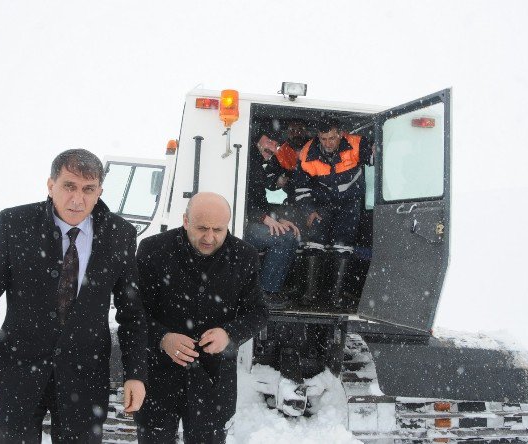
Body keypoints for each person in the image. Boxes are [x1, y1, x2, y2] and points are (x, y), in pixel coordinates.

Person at [0, 149, 148, 443]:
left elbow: (132, 314)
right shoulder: (15, 224)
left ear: (99, 191)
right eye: (69, 186)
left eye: (88, 189)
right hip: (18, 373)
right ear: (51, 186)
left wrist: (135, 373)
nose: (78, 199)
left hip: (84, 378)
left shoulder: (119, 234)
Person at [134, 192, 269, 444]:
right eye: (202, 228)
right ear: (185, 221)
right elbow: (134, 312)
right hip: (158, 375)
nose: (209, 237)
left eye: (218, 229)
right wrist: (163, 338)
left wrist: (229, 334)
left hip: (213, 378)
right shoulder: (153, 250)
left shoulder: (244, 256)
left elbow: (258, 312)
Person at [294, 119, 374, 306]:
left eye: (331, 138)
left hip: (349, 203)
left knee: (343, 246)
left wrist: (379, 147)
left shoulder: (356, 144)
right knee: (313, 243)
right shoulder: (307, 153)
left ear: (340, 134)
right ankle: (310, 295)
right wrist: (309, 210)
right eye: (323, 139)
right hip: (321, 204)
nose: (328, 143)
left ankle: (336, 297)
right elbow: (300, 187)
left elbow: (376, 157)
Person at [245, 131, 300, 309]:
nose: (271, 148)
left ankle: (275, 288)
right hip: (241, 225)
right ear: (256, 140)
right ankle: (264, 293)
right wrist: (263, 218)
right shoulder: (248, 160)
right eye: (268, 141)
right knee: (283, 238)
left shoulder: (257, 163)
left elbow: (260, 201)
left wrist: (279, 219)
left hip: (253, 220)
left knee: (290, 233)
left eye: (275, 145)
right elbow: (241, 200)